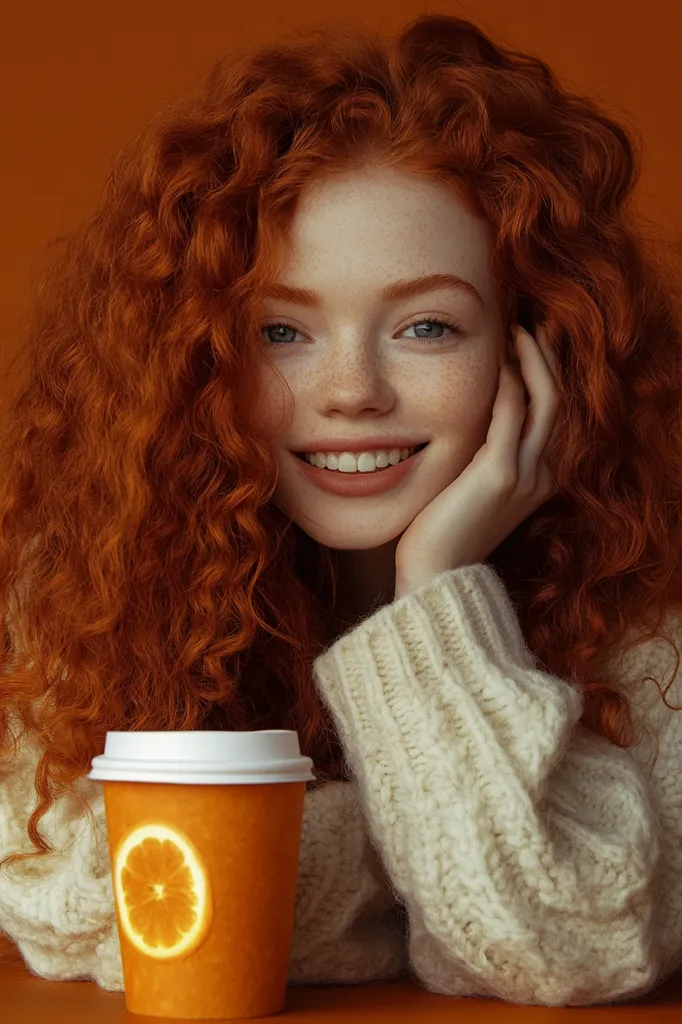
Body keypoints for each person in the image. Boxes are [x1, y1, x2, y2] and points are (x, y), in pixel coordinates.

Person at [0, 13, 681, 1009]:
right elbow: (58, 889)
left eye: (425, 326)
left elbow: (573, 939)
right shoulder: (88, 594)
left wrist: (439, 590)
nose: (352, 391)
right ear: (199, 362)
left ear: (536, 351)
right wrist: (399, 860)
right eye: (282, 330)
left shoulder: (648, 625)